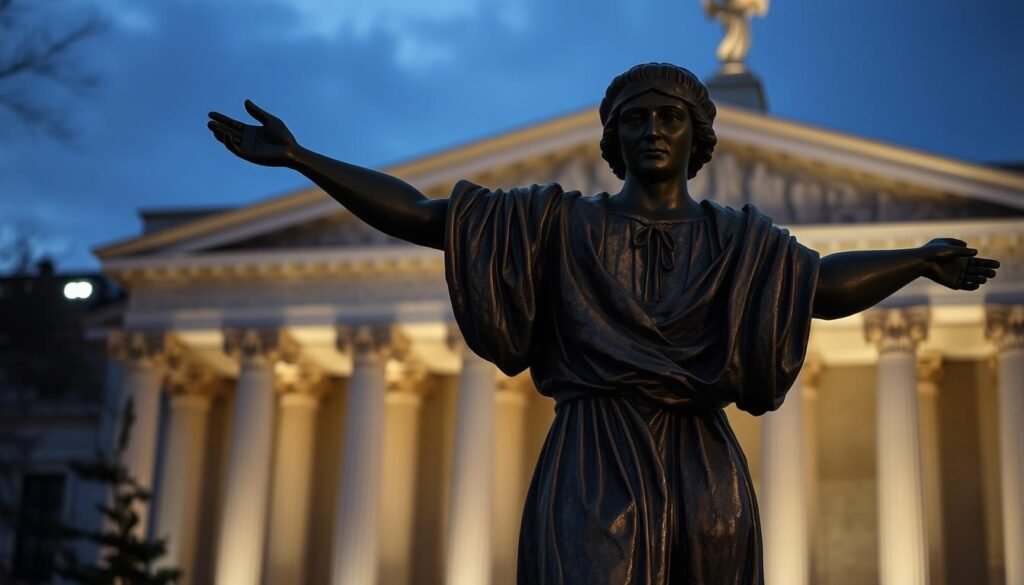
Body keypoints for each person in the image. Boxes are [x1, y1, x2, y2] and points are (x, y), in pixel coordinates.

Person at [208, 63, 999, 585]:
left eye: (670, 118)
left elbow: (817, 285)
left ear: (698, 138)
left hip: (701, 464)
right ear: (613, 138)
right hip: (594, 458)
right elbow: (422, 215)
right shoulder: (557, 226)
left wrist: (916, 260)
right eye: (636, 118)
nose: (653, 130)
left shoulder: (740, 243)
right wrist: (304, 159)